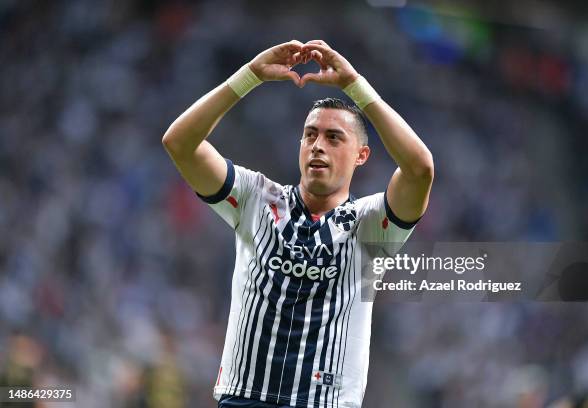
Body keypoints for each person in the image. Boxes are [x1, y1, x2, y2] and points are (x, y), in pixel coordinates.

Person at [162, 39, 434, 408]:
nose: (318, 145)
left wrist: (354, 83)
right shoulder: (255, 197)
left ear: (361, 155)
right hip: (244, 398)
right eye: (310, 135)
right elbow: (179, 143)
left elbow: (420, 169)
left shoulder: (370, 225)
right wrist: (249, 77)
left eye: (334, 137)